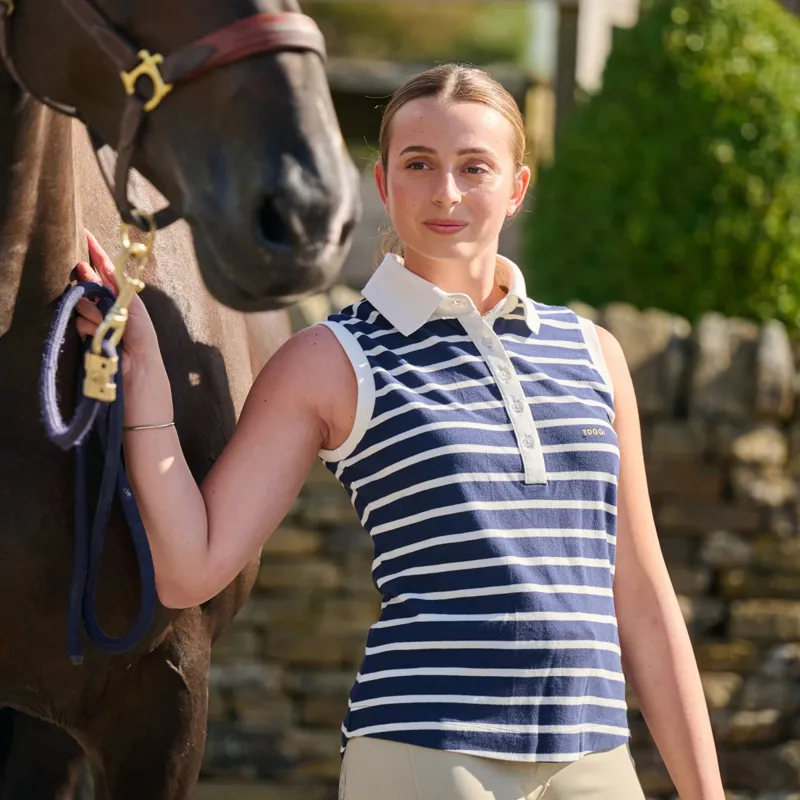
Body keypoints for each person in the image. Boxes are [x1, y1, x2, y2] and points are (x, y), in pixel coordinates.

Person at [75, 64, 725, 800]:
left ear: (516, 187)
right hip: (427, 753)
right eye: (419, 165)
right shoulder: (333, 359)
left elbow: (640, 593)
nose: (446, 192)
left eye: (474, 167)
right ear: (383, 185)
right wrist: (146, 387)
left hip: (596, 759)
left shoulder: (594, 354)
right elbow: (193, 566)